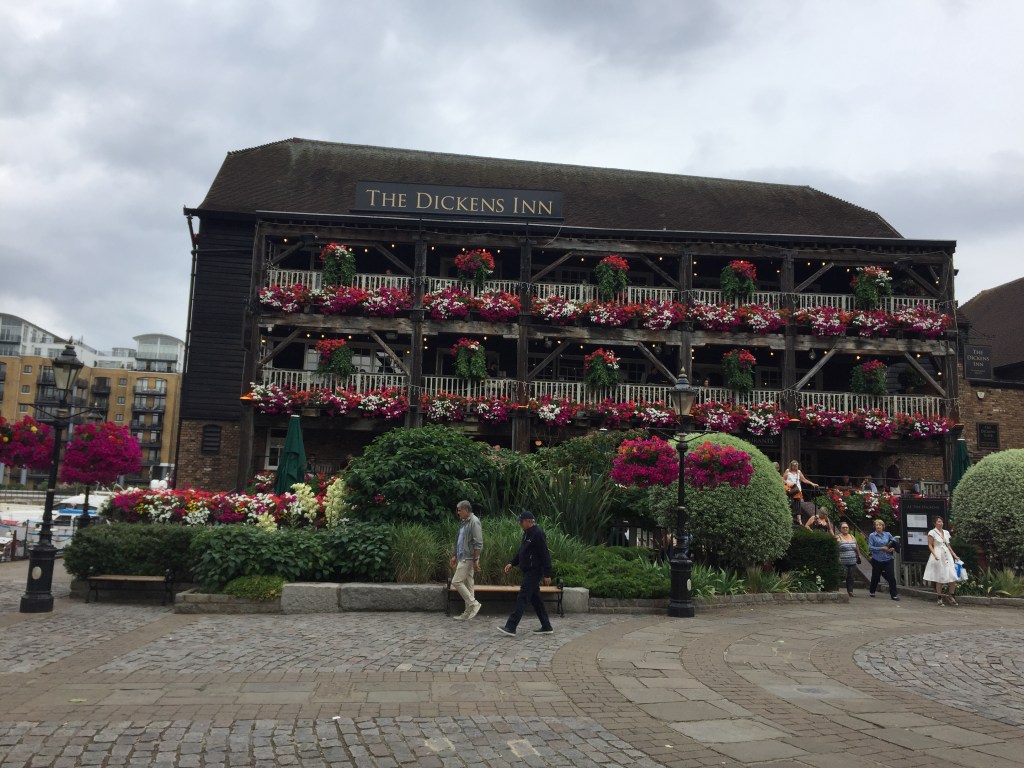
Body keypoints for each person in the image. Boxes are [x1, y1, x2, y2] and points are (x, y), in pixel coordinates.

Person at [497, 511, 554, 636]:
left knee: (523, 596)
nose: (520, 523)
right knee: (536, 599)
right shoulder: (527, 534)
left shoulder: (538, 534)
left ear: (529, 521)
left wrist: (547, 574)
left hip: (535, 570)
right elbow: (522, 551)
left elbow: (545, 554)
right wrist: (512, 563)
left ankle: (511, 626)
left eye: (521, 521)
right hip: (528, 570)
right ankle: (546, 626)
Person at [449, 500, 483, 620]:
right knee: (469, 585)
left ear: (466, 510)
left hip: (468, 558)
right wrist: (455, 555)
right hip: (462, 556)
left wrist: (475, 560)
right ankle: (468, 612)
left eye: (459, 510)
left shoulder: (474, 522)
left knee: (456, 582)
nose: (458, 513)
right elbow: (460, 540)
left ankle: (474, 604)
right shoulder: (464, 522)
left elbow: (478, 543)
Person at [924, 516, 961, 606]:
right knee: (939, 576)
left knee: (952, 575)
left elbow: (948, 545)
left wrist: (954, 555)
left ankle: (951, 595)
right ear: (935, 523)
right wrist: (935, 555)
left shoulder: (946, 532)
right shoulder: (932, 532)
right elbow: (930, 545)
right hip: (938, 553)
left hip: (947, 555)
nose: (941, 523)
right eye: (939, 521)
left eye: (942, 521)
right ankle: (939, 597)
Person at [867, 518, 900, 600]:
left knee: (891, 577)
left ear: (883, 526)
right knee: (875, 576)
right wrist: (881, 548)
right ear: (874, 526)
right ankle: (872, 590)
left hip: (888, 558)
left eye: (880, 525)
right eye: (877, 525)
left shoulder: (888, 534)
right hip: (877, 559)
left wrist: (892, 548)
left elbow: (894, 543)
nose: (878, 526)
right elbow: (870, 547)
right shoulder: (872, 535)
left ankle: (894, 595)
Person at [782, 460, 818, 525]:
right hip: (790, 488)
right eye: (793, 466)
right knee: (788, 502)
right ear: (791, 465)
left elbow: (804, 480)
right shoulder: (788, 471)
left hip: (797, 490)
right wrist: (788, 483)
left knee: (798, 505)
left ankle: (799, 520)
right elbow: (783, 479)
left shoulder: (798, 472)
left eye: (796, 466)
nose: (794, 467)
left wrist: (812, 483)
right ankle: (787, 517)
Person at [836, 522, 861, 597]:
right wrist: (838, 558)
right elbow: (835, 548)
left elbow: (856, 547)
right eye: (843, 527)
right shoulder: (838, 537)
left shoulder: (852, 537)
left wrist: (859, 555)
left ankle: (850, 591)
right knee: (842, 575)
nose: (845, 529)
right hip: (843, 560)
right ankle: (836, 588)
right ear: (840, 529)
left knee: (851, 576)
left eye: (846, 527)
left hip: (852, 560)